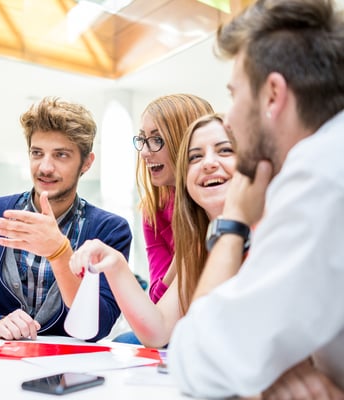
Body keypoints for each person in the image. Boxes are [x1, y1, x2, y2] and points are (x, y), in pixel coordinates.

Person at [169, 0, 344, 397]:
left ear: (272, 95)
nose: (228, 117)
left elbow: (194, 360)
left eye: (234, 93)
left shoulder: (318, 175)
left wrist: (232, 224)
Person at [0, 96, 131, 341]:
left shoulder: (110, 230)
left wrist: (59, 252)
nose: (45, 167)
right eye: (37, 153)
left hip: (71, 369)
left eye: (61, 155)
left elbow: (99, 325)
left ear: (86, 163)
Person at [70, 114, 237, 347]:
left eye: (225, 151)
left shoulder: (270, 230)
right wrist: (115, 263)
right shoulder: (198, 244)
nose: (208, 163)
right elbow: (159, 330)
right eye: (195, 156)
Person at [135, 94, 214, 304]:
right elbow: (156, 301)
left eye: (157, 140)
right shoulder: (153, 211)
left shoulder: (218, 201)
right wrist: (185, 251)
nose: (144, 152)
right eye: (143, 139)